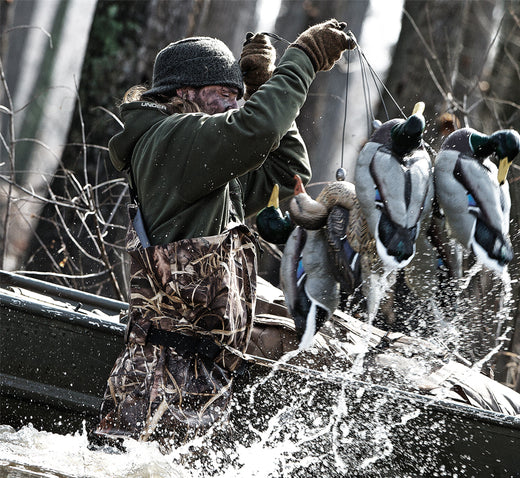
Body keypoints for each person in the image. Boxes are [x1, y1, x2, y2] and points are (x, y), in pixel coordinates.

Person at [94, 19, 355, 446]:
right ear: (184, 93)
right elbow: (257, 130)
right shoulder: (171, 138)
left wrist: (260, 88)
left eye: (237, 94)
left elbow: (284, 171)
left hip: (198, 381)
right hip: (158, 379)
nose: (234, 103)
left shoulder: (206, 164)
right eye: (223, 92)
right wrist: (303, 58)